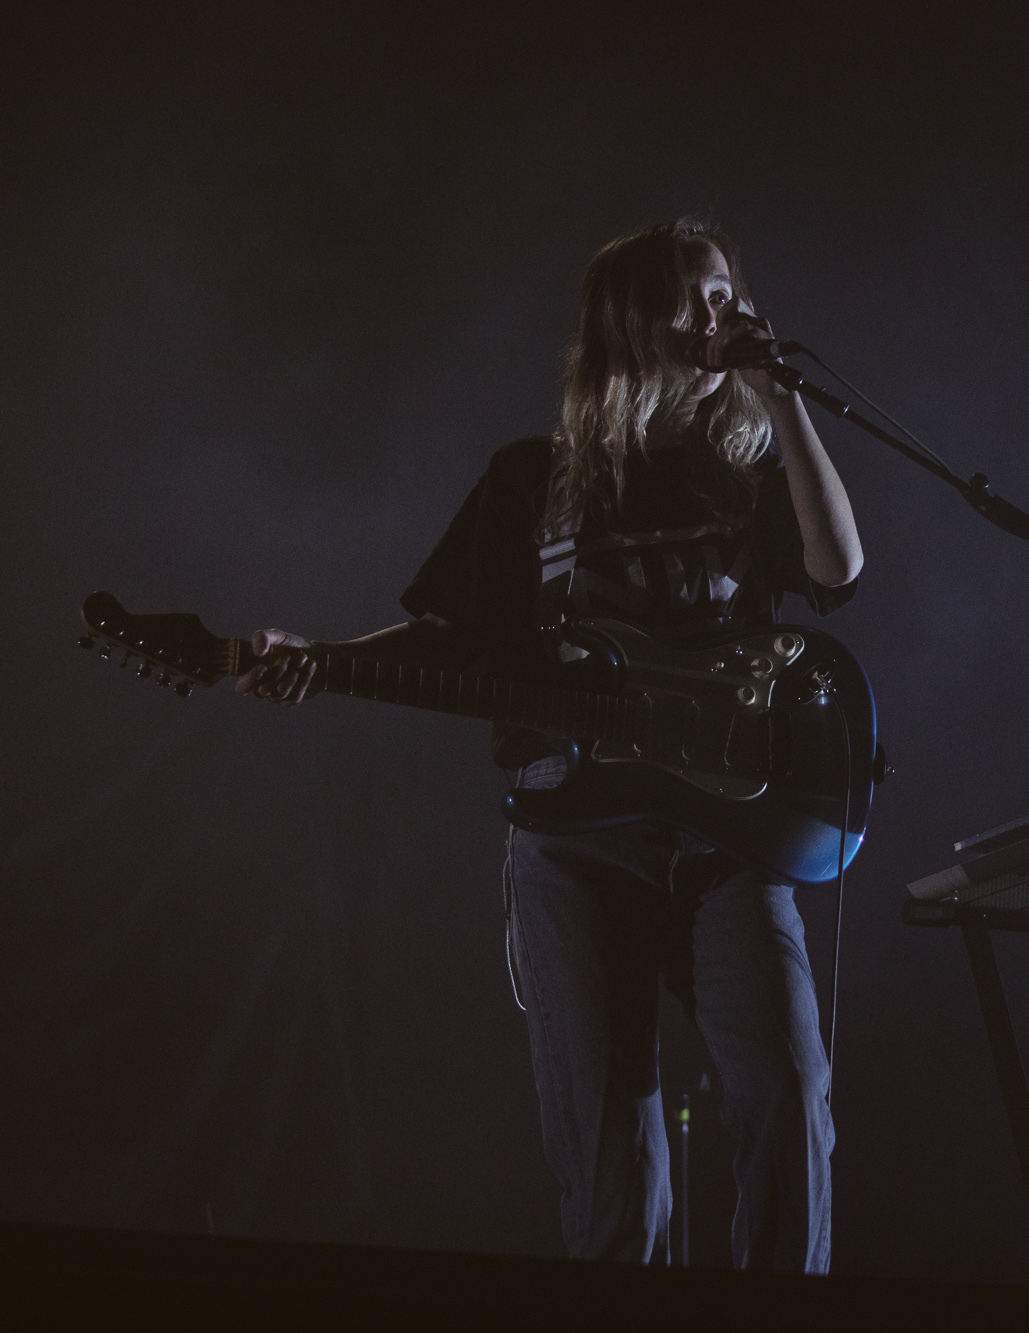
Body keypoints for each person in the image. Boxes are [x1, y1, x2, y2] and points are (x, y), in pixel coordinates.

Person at [235, 219, 863, 1271]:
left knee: (792, 1096)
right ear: (633, 319)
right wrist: (324, 657)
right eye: (697, 295)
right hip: (578, 839)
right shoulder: (539, 480)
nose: (722, 314)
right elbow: (453, 636)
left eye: (728, 292)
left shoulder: (747, 473)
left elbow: (837, 568)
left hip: (725, 843)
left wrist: (783, 395)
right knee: (617, 1155)